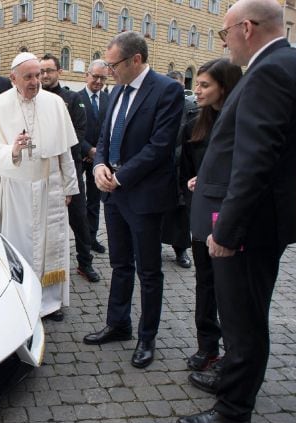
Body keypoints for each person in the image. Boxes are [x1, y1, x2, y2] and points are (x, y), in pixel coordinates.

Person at [177, 0, 296, 423]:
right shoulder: (288, 64)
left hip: (249, 226)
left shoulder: (269, 71)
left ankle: (233, 411)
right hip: (262, 220)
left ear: (246, 28)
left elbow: (255, 162)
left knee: (243, 321)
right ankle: (231, 382)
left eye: (224, 31)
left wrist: (226, 230)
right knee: (243, 316)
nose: (224, 40)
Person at [82, 32, 184, 369]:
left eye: (114, 65)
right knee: (120, 264)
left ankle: (146, 337)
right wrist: (98, 166)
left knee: (149, 271)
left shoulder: (166, 90)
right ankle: (119, 324)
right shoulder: (116, 91)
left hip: (144, 196)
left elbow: (160, 146)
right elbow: (104, 136)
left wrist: (120, 175)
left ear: (135, 60)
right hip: (114, 195)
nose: (109, 71)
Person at [0, 52, 79, 319]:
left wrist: (69, 187)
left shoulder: (54, 103)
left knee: (49, 246)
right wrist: (13, 151)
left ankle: (50, 302)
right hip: (14, 191)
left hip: (48, 187)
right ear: (13, 78)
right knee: (19, 247)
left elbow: (64, 151)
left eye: (38, 75)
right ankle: (20, 300)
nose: (35, 81)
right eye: (28, 76)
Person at [178, 59, 243, 373]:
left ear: (224, 87)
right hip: (202, 217)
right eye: (197, 84)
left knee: (229, 289)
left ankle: (234, 353)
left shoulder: (241, 124)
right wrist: (192, 183)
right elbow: (186, 170)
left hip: (230, 218)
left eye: (205, 85)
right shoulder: (194, 124)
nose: (197, 90)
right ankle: (207, 346)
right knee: (205, 284)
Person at [40, 53, 101, 296]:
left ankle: (84, 263)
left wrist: (57, 150)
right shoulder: (36, 99)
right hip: (43, 172)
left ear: (59, 72)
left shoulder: (72, 99)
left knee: (79, 218)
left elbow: (78, 133)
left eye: (49, 71)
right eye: (41, 71)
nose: (45, 75)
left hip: (68, 169)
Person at [160, 70, 196, 269]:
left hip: (183, 167)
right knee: (158, 211)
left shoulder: (191, 108)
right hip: (161, 167)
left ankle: (180, 250)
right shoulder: (160, 105)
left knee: (181, 214)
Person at [78, 60, 109, 255]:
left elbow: (109, 128)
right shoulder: (76, 98)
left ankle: (92, 237)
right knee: (77, 201)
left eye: (103, 78)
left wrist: (99, 153)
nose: (98, 81)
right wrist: (88, 150)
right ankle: (81, 238)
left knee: (95, 202)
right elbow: (72, 130)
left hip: (99, 160)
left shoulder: (108, 99)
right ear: (87, 75)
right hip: (80, 157)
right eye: (95, 76)